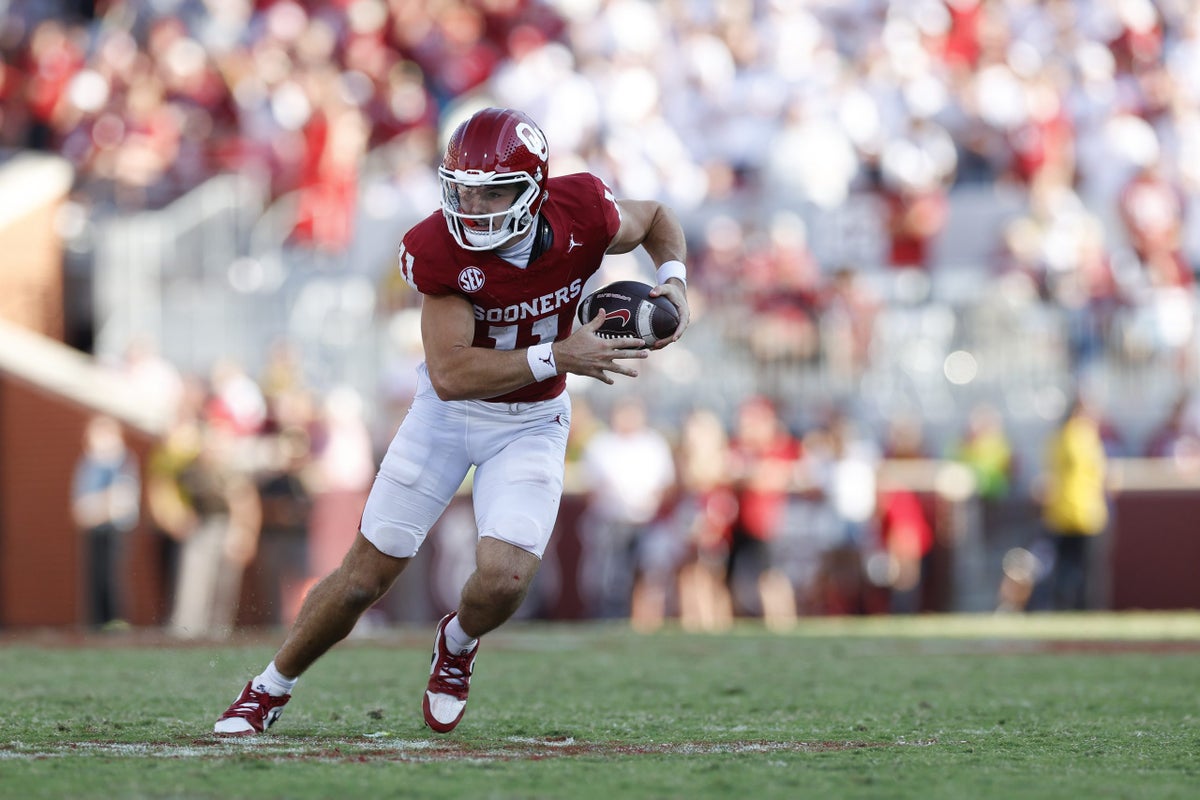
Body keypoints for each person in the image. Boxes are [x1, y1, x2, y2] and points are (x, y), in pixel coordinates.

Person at [214, 106, 690, 735]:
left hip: (532, 420)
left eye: (491, 193)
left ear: (533, 191)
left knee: (506, 579)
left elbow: (655, 218)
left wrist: (674, 283)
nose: (472, 207)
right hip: (448, 415)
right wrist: (558, 353)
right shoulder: (438, 248)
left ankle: (458, 642)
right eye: (463, 190)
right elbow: (451, 373)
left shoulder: (583, 211)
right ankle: (268, 687)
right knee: (363, 579)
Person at [1036, 395, 1109, 611]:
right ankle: (1084, 609)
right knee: (1087, 572)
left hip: (1061, 513)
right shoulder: (1082, 436)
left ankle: (1061, 607)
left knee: (1062, 569)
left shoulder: (1058, 437)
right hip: (1085, 513)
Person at [70, 415, 140, 629]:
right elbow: (80, 507)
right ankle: (95, 623)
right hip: (94, 530)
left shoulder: (121, 461)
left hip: (115, 530)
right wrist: (99, 504)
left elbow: (122, 499)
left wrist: (96, 505)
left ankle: (116, 621)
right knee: (94, 577)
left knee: (112, 577)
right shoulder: (88, 463)